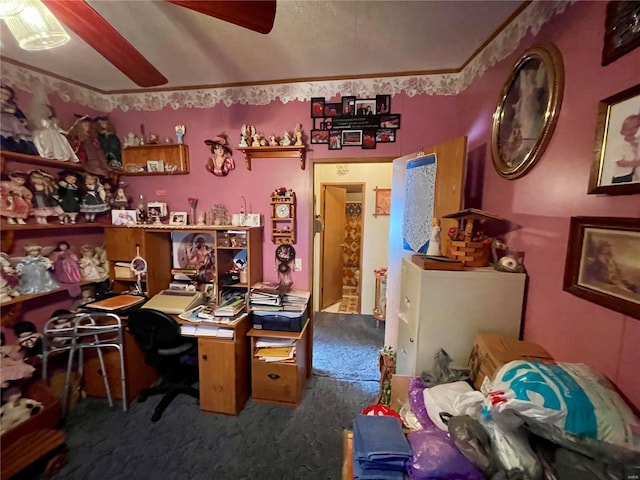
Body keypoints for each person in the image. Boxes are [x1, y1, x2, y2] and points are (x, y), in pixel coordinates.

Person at [0, 83, 38, 155]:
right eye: (1, 92)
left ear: (10, 97)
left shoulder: (12, 106)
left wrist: (22, 121)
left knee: (17, 138)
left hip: (10, 122)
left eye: (6, 94)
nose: (3, 95)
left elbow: (19, 115)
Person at [611, 110, 640, 184]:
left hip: (630, 174)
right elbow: (620, 163)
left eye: (636, 128)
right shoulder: (620, 144)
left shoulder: (634, 142)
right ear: (623, 130)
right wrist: (637, 163)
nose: (632, 131)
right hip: (620, 177)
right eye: (629, 129)